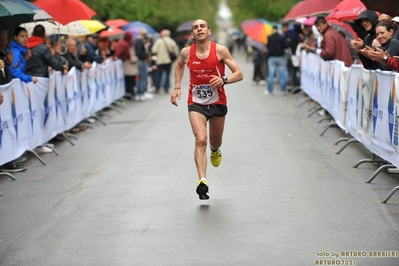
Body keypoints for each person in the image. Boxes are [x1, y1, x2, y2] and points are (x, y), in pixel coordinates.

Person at [170, 19, 243, 200]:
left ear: (209, 31)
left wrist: (224, 80)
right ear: (192, 33)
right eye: (195, 27)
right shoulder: (186, 53)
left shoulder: (220, 50)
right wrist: (177, 86)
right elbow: (179, 64)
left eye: (202, 26)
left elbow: (239, 73)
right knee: (200, 139)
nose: (199, 29)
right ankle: (202, 180)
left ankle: (215, 150)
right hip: (196, 103)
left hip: (217, 102)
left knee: (214, 141)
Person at [151, 29, 179, 94]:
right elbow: (176, 52)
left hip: (159, 61)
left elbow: (153, 50)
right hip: (168, 61)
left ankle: (157, 87)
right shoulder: (172, 41)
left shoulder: (159, 41)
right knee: (167, 74)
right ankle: (166, 87)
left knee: (158, 75)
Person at [265, 25, 289, 95]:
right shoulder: (282, 37)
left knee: (271, 74)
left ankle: (270, 90)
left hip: (271, 57)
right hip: (280, 57)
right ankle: (283, 89)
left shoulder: (269, 37)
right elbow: (286, 45)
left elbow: (267, 46)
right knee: (282, 74)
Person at [115, 31, 137, 97]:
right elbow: (128, 56)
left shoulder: (120, 42)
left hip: (119, 62)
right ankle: (129, 93)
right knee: (129, 80)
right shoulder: (125, 44)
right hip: (124, 64)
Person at [135, 29, 151, 101]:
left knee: (142, 77)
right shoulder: (139, 41)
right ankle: (141, 92)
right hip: (141, 61)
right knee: (142, 77)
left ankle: (142, 91)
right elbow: (139, 52)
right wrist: (145, 57)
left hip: (141, 60)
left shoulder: (140, 41)